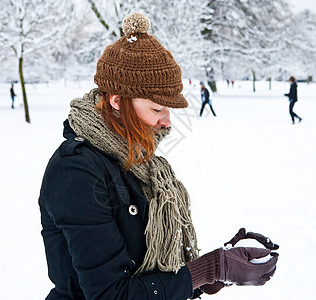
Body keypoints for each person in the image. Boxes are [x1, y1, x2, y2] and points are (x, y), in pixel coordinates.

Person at [39, 12, 279, 300]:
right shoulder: (76, 170)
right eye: (157, 109)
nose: (167, 122)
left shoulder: (139, 160)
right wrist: (210, 268)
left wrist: (214, 271)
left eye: (168, 110)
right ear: (117, 101)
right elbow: (110, 295)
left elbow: (145, 267)